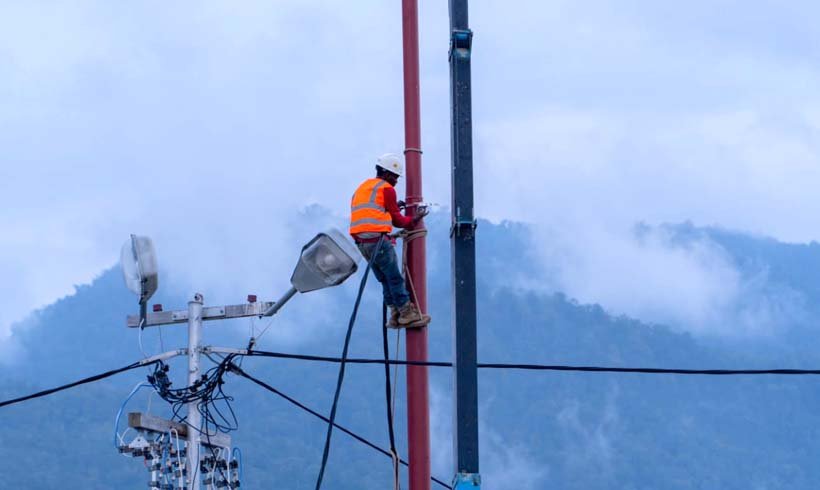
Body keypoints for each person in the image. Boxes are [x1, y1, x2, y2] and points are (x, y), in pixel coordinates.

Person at [350, 153, 431, 328]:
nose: (395, 181)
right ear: (386, 173)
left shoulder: (364, 188)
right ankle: (407, 313)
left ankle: (394, 314)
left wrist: (393, 206)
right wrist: (415, 219)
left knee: (385, 279)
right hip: (377, 241)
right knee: (394, 278)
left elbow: (373, 211)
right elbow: (398, 221)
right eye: (394, 176)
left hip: (362, 244)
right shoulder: (386, 189)